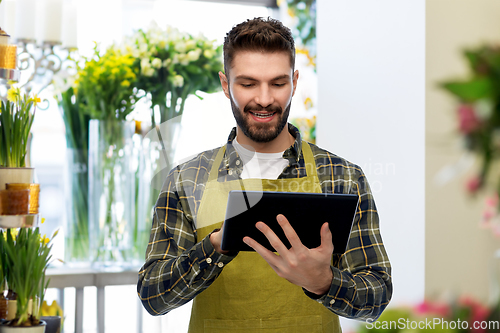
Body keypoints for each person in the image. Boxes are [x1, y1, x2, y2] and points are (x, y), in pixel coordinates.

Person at [137, 17, 392, 333]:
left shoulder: (342, 177)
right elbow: (153, 296)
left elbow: (377, 295)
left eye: (278, 83)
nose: (264, 98)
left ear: (295, 82)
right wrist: (214, 247)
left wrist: (325, 282)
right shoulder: (187, 179)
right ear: (225, 84)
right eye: (247, 84)